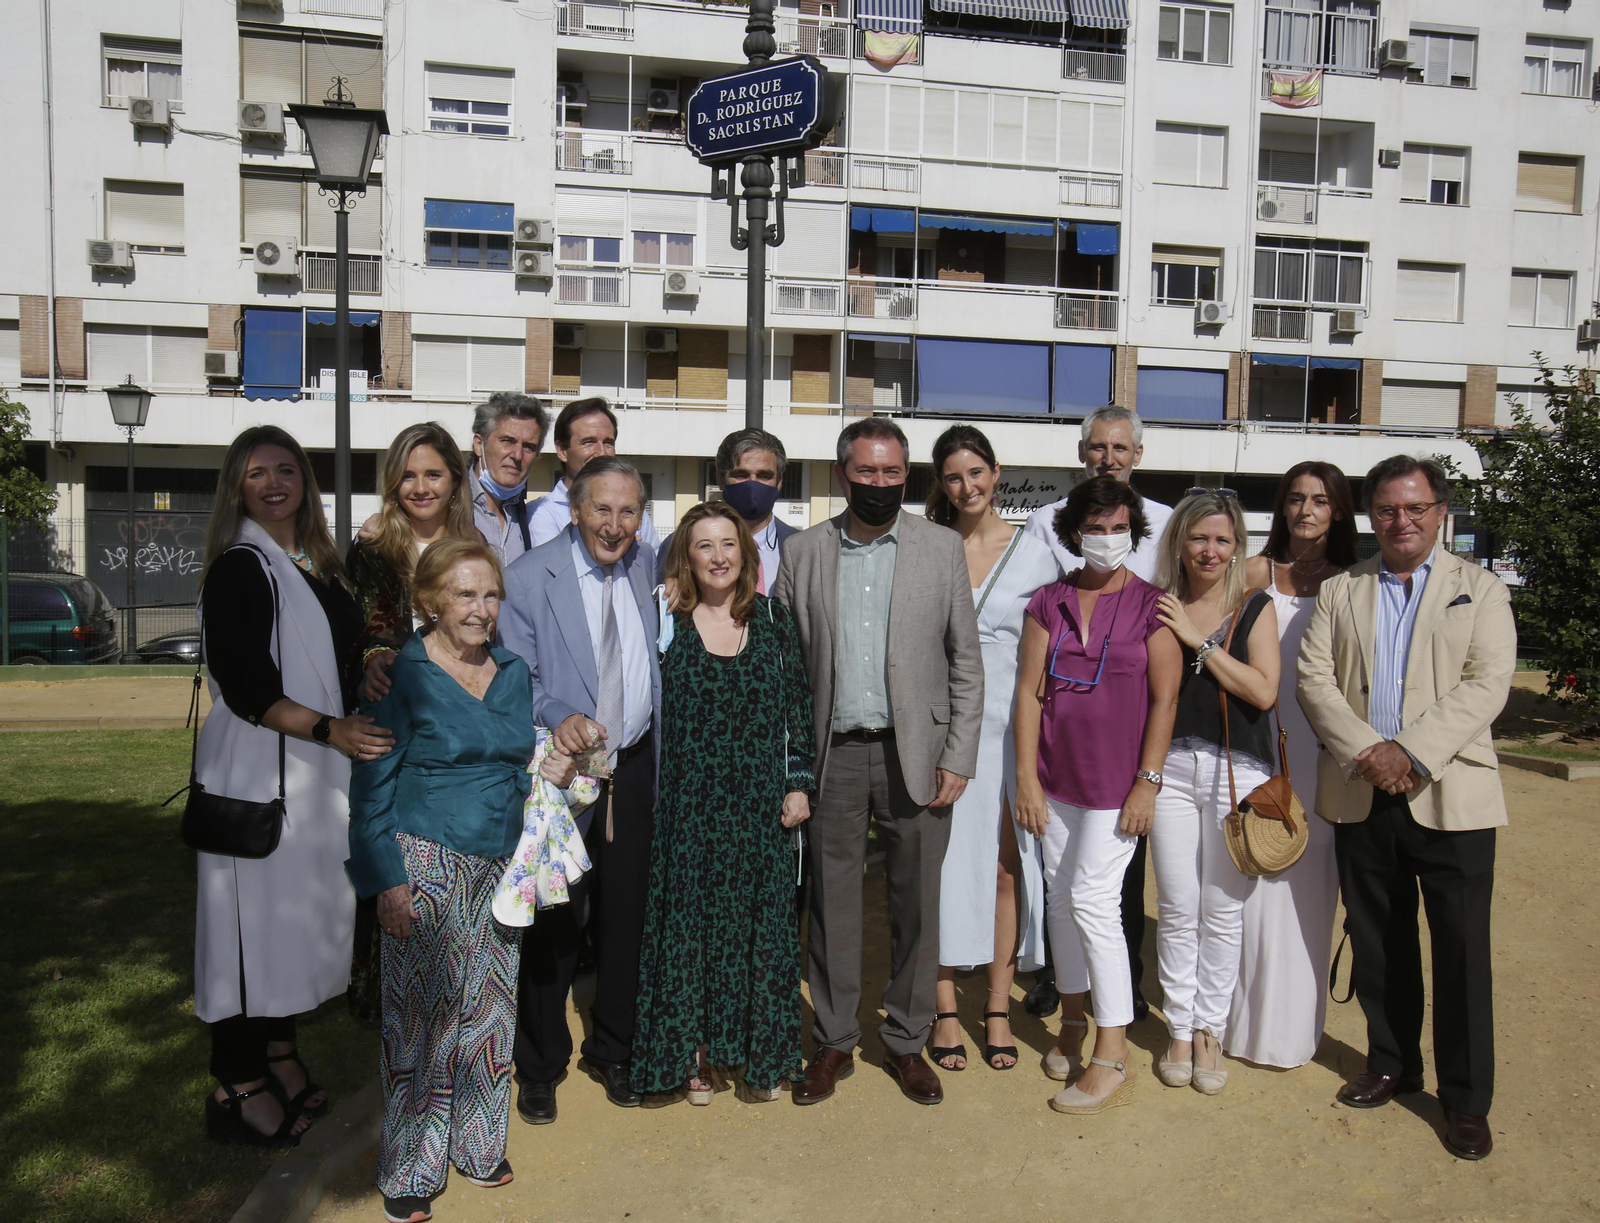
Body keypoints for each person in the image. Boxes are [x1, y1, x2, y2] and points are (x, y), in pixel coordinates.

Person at [1298, 456, 1515, 1161]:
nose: (1402, 520)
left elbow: (1487, 684)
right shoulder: (1341, 590)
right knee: (1379, 944)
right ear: (1370, 516)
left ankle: (1465, 1099)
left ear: (1440, 510)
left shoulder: (1479, 589)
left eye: (1416, 507)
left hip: (1452, 796)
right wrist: (1372, 752)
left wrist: (1412, 752)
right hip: (1364, 793)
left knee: (1459, 954)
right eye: (1388, 509)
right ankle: (1392, 1061)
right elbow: (1315, 679)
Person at [774, 417, 984, 1107]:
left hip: (916, 752)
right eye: (867, 472)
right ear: (843, 474)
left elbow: (965, 662)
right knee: (832, 904)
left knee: (916, 901)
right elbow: (783, 665)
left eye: (893, 472)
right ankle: (834, 1039)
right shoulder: (802, 553)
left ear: (907, 475)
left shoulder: (940, 548)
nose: (880, 483)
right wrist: (792, 764)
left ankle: (907, 1039)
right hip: (832, 754)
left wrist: (958, 752)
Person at [194, 425, 392, 1147]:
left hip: (308, 769)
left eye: (286, 470)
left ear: (305, 481)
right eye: (256, 473)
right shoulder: (241, 566)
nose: (273, 483)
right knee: (247, 933)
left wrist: (362, 672)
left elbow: (333, 652)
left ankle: (279, 1053)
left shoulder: (312, 562)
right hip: (260, 771)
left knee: (287, 925)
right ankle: (236, 1086)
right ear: (236, 488)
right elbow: (247, 685)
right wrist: (329, 730)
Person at [347, 540, 544, 1223]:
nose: (481, 608)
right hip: (423, 858)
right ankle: (410, 1165)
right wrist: (384, 879)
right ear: (430, 600)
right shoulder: (398, 675)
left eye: (490, 594)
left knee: (491, 1010)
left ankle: (479, 1144)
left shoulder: (513, 671)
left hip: (501, 864)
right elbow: (371, 783)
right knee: (421, 1021)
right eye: (464, 594)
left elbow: (522, 762)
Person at [631, 502, 815, 1103]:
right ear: (687, 554)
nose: (718, 557)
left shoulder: (772, 618)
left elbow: (797, 707)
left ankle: (757, 1052)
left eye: (728, 545)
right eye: (704, 546)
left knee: (757, 929)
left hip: (759, 805)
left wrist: (797, 783)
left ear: (746, 553)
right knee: (693, 931)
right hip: (689, 806)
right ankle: (696, 1056)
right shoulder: (666, 618)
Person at [500, 455, 662, 1120]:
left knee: (628, 919)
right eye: (602, 508)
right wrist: (556, 716)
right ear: (574, 507)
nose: (615, 524)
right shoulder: (526, 578)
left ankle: (614, 1048)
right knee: (556, 922)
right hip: (566, 771)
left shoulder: (650, 568)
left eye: (628, 511)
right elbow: (514, 679)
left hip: (637, 764)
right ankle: (539, 1064)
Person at [1013, 475, 1180, 1115]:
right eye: (1095, 527)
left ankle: (1113, 1051)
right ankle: (1073, 1021)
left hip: (1118, 785)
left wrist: (1148, 781)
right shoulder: (1047, 602)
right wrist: (1027, 778)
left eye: (1119, 528)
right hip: (1056, 780)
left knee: (1092, 899)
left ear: (1134, 533)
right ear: (1073, 533)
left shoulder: (1152, 604)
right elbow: (1028, 693)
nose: (1107, 538)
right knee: (1060, 899)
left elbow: (1165, 698)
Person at [1024, 405, 1174, 1022]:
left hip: (1127, 727)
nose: (1108, 457)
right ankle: (1066, 989)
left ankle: (1120, 997)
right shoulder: (1045, 524)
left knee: (1106, 887)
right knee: (1064, 888)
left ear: (1137, 454)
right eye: (1097, 448)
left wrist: (1150, 774)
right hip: (1060, 732)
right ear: (1082, 452)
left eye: (1120, 448)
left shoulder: (1166, 525)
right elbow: (1032, 610)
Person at [924, 425, 1058, 1073]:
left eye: (976, 472)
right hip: (942, 723)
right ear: (940, 483)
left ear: (996, 472)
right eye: (953, 475)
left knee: (1008, 867)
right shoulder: (928, 546)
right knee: (943, 867)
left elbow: (1059, 647)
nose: (967, 485)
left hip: (1012, 726)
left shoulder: (1037, 551)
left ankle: (998, 1006)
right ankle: (945, 1005)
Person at [344, 423, 481, 1026]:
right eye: (408, 475)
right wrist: (373, 656)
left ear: (454, 479)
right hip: (397, 716)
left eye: (433, 474)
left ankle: (460, 972)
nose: (420, 486)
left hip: (461, 718)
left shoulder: (475, 543)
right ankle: (383, 990)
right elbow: (364, 622)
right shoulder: (375, 546)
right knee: (392, 841)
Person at [1226, 461, 1358, 1069]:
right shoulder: (1252, 574)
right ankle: (1234, 1027)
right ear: (1281, 507)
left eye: (1321, 501)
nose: (1307, 511)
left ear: (1338, 511)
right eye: (1296, 499)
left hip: (1325, 753)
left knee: (1309, 890)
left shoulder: (1356, 580)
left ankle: (1292, 1033)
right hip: (1258, 745)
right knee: (1250, 883)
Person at [1148, 490, 1280, 1097]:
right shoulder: (1157, 604)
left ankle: (1209, 1030)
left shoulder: (1255, 608)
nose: (1209, 549)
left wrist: (1198, 643)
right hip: (1171, 769)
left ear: (1236, 548)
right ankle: (1178, 1027)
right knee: (1177, 906)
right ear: (1179, 541)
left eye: (1222, 540)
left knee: (1222, 911)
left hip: (1238, 773)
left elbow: (1262, 691)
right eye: (1199, 537)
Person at [657, 428, 799, 593]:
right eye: (741, 474)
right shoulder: (680, 544)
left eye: (764, 476)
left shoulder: (802, 548)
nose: (752, 484)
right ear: (720, 478)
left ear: (779, 481)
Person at [527, 398, 662, 551]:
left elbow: (653, 567)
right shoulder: (542, 513)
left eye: (608, 442)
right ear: (562, 450)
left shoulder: (633, 509)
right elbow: (556, 569)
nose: (601, 453)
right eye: (588, 442)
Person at [467, 392, 549, 567]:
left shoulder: (529, 517)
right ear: (478, 445)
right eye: (507, 441)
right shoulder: (448, 505)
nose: (517, 455)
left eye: (528, 447)